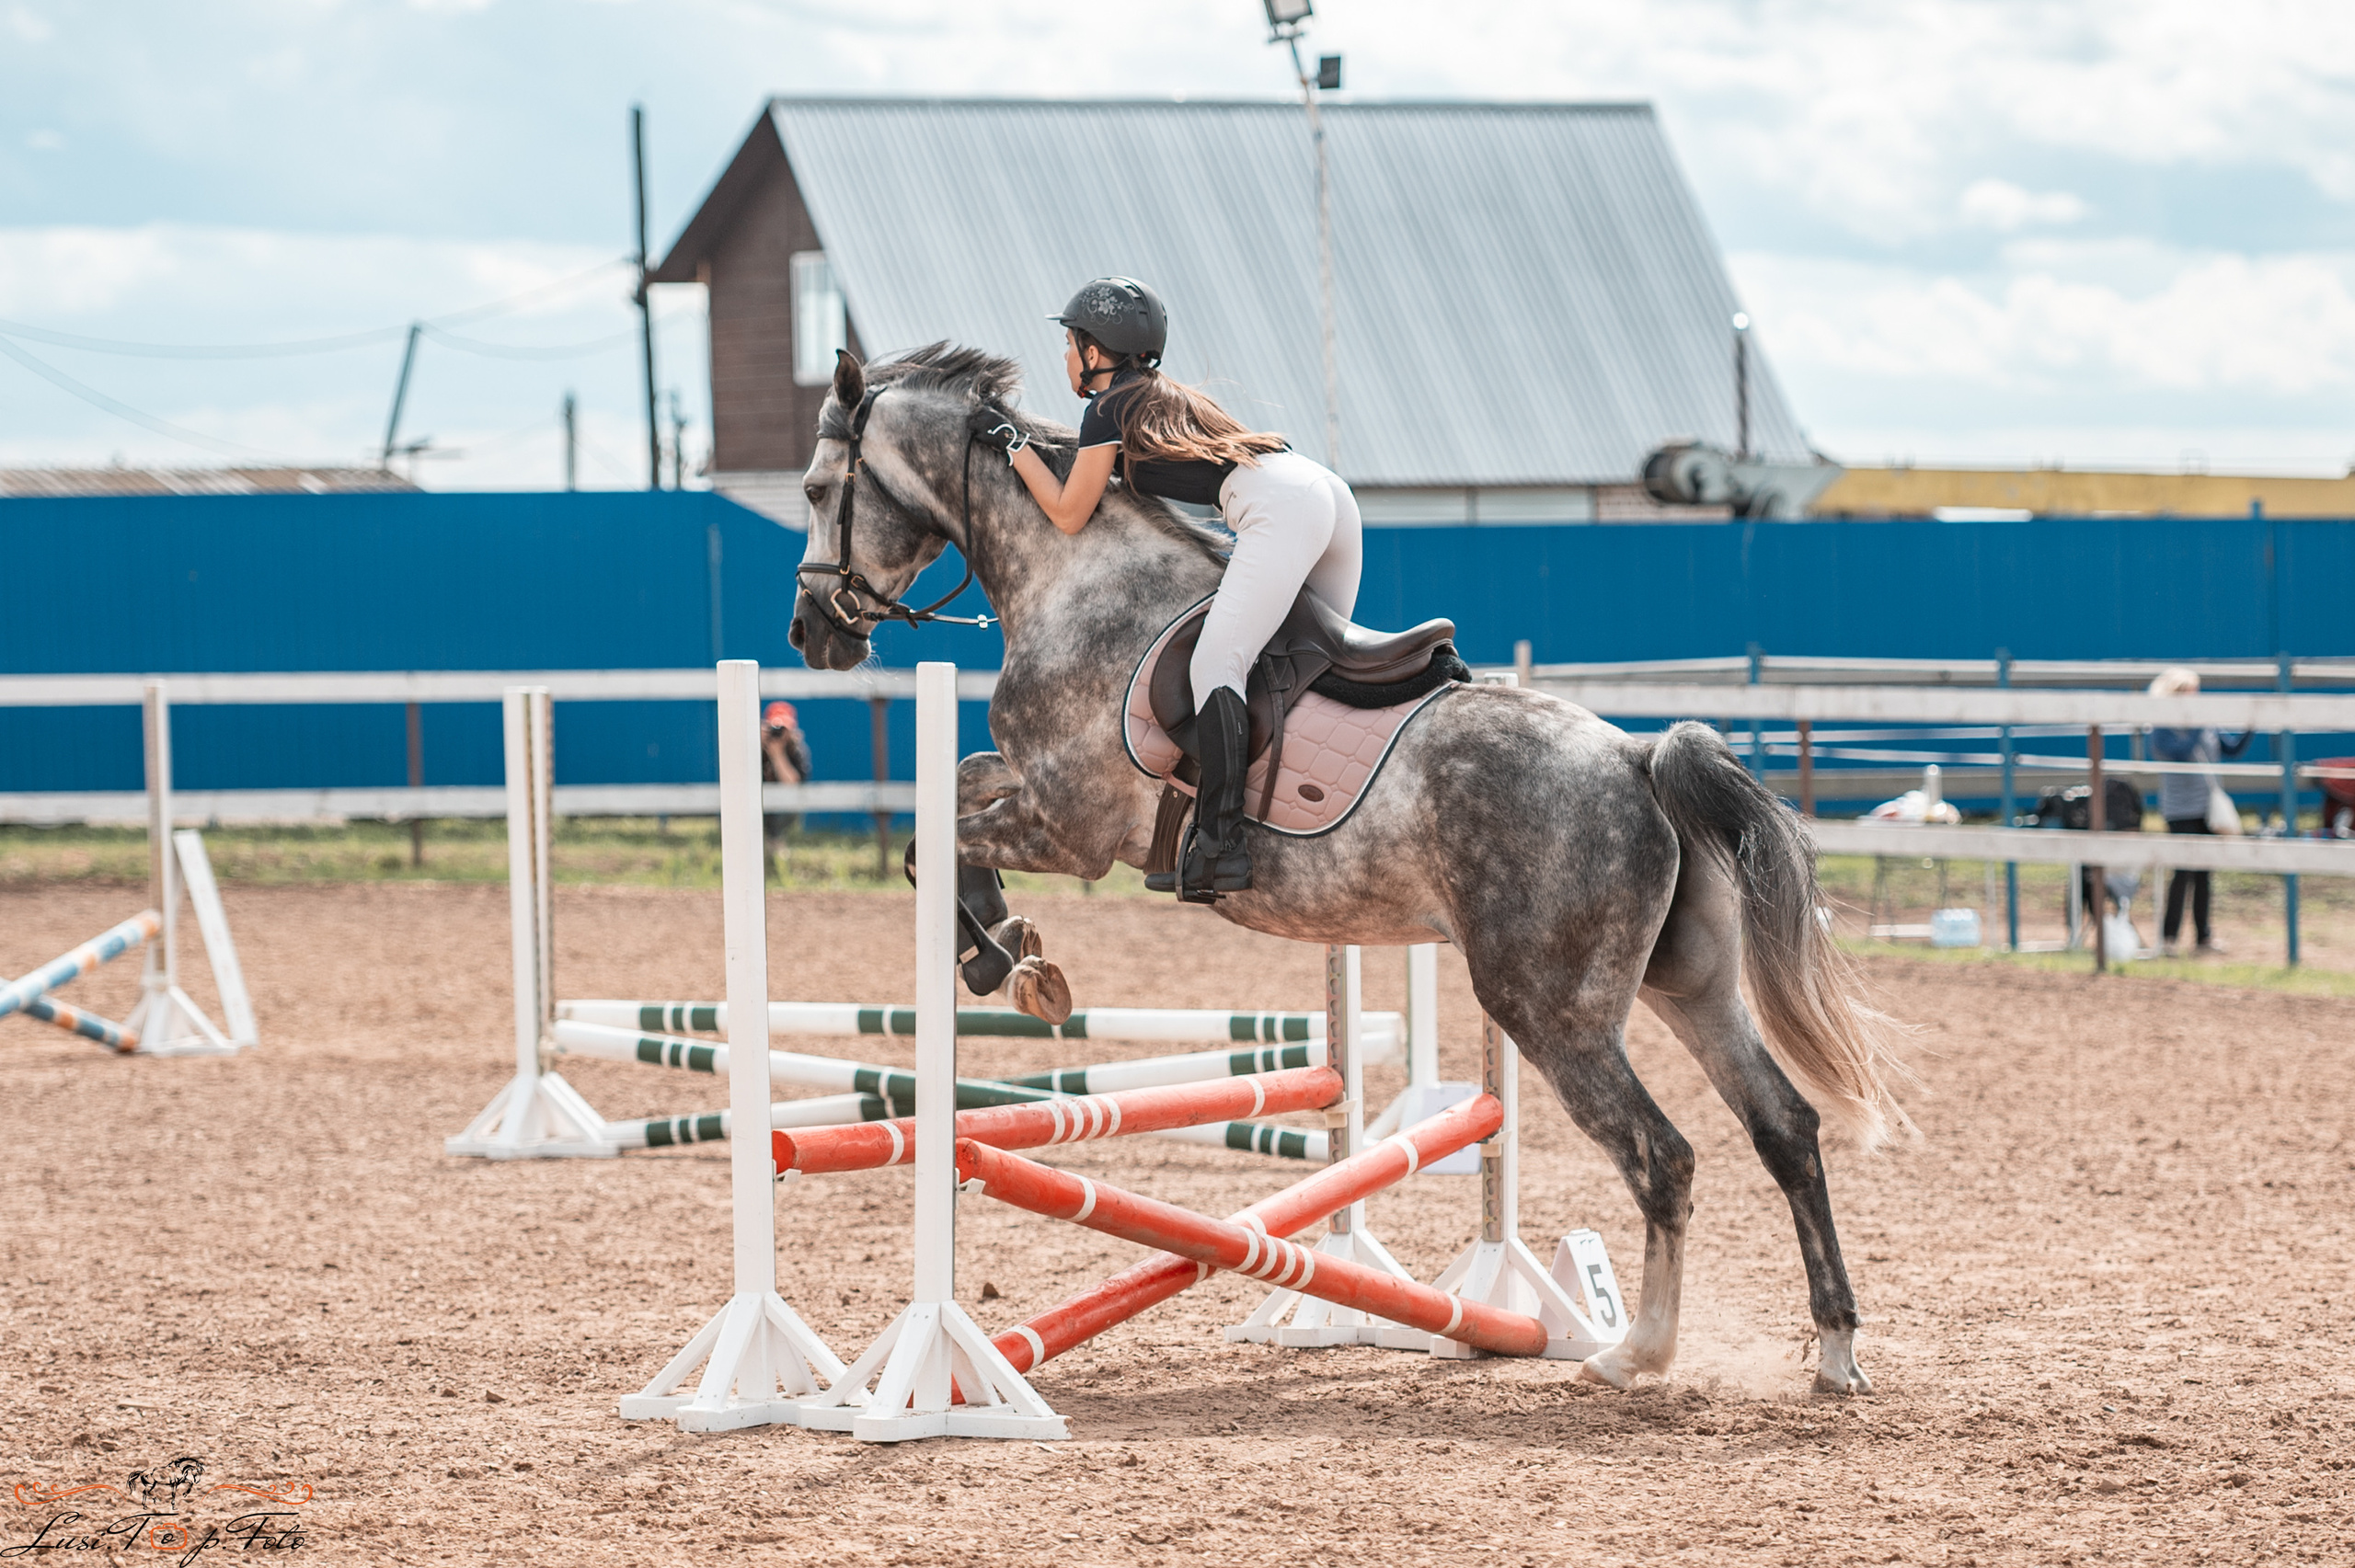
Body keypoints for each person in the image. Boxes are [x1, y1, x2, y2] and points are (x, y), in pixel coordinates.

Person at [980, 276, 1364, 901]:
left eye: (1072, 342)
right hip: (1324, 494)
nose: (1068, 356)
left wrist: (1016, 448)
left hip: (1277, 508)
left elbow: (1069, 512)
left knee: (1218, 662)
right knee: (1306, 663)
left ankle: (1222, 840)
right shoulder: (1160, 397)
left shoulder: (1106, 408)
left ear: (1097, 351)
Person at [2147, 667, 2250, 956]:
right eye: (2191, 691)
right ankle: (2169, 938)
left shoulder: (2206, 722)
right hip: (2179, 809)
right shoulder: (2163, 727)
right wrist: (2196, 722)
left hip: (2207, 808)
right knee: (2183, 872)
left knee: (2204, 873)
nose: (2196, 696)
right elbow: (2180, 751)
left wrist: (2251, 725)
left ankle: (2203, 937)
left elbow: (2231, 749)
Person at [760, 700, 812, 875]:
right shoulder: (755, 747)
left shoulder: (796, 750)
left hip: (785, 809)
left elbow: (792, 784)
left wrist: (777, 755)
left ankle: (777, 858)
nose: (778, 734)